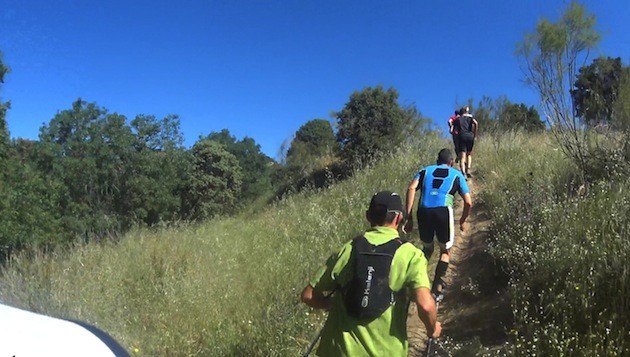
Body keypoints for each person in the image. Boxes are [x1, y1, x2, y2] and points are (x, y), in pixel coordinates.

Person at [301, 191, 441, 356]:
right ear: (399, 218)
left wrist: (331, 304)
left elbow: (308, 295)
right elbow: (425, 305)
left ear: (368, 216)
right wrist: (433, 329)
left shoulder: (348, 249)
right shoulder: (411, 254)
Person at [403, 149, 472, 299]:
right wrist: (462, 220)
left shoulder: (424, 170)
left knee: (427, 250)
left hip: (424, 210)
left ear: (437, 160)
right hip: (443, 211)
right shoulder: (457, 174)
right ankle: (436, 289)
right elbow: (468, 202)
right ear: (451, 162)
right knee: (445, 251)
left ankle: (413, 283)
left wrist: (408, 217)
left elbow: (411, 188)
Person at [453, 106, 478, 178]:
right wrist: (474, 134)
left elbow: (454, 130)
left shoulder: (458, 119)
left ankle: (463, 173)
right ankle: (468, 170)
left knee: (462, 156)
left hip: (461, 137)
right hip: (470, 136)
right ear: (466, 112)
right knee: (469, 154)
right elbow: (476, 123)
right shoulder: (470, 118)